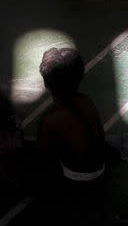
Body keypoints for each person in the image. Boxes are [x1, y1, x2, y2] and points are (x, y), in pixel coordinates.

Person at [36, 47, 105, 185]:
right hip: (100, 169)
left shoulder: (51, 117)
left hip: (75, 177)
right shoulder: (86, 101)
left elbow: (43, 157)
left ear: (46, 83)